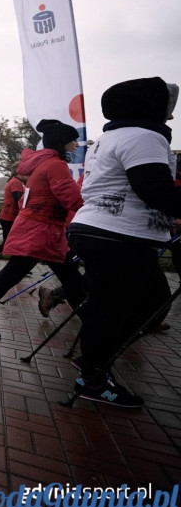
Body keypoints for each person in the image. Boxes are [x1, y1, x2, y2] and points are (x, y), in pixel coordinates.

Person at [67, 78, 180, 407]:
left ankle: (93, 361)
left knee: (137, 304)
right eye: (167, 106)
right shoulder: (144, 136)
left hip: (100, 230)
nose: (171, 115)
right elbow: (155, 190)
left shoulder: (109, 137)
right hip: (119, 236)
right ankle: (93, 376)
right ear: (148, 106)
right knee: (122, 308)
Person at [0, 119, 86, 339]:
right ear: (62, 142)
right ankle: (96, 328)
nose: (77, 145)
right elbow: (71, 199)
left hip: (41, 231)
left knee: (70, 280)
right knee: (66, 280)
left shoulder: (42, 165)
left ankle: (94, 326)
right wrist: (95, 208)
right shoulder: (56, 165)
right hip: (42, 232)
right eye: (73, 140)